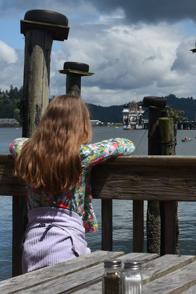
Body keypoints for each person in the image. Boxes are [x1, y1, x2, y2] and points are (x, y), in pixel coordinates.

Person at [10, 95, 135, 273]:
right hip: (67, 242)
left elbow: (15, 143)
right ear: (80, 124)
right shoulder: (82, 155)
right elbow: (126, 144)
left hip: (32, 243)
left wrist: (41, 145)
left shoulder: (26, 151)